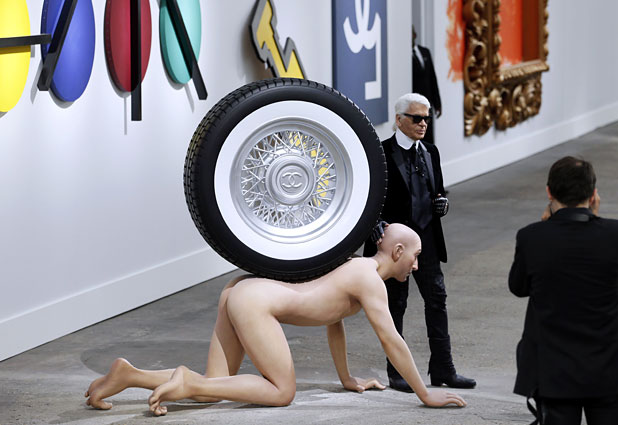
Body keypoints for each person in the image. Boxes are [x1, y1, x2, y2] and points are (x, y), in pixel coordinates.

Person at [85, 223, 467, 416]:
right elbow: (391, 339)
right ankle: (184, 381)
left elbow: (334, 322)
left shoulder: (357, 269)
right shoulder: (368, 279)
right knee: (281, 391)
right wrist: (425, 394)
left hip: (241, 291)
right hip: (256, 302)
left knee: (212, 389)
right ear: (397, 251)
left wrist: (347, 378)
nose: (416, 265)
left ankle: (129, 375)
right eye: (415, 256)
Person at [364, 93, 475, 392]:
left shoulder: (430, 152)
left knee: (437, 299)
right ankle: (397, 371)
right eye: (416, 118)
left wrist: (441, 204)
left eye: (426, 118)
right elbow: (367, 197)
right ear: (399, 120)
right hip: (394, 246)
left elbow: (437, 191)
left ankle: (443, 369)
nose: (423, 123)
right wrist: (375, 225)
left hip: (426, 240)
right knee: (396, 305)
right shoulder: (380, 152)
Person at [509, 156, 618, 425]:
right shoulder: (614, 235)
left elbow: (519, 287)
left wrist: (545, 227)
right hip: (608, 368)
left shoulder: (532, 236)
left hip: (553, 372)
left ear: (549, 192)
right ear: (593, 195)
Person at [412, 27, 441, 145]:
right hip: (414, 104)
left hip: (428, 102)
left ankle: (430, 155)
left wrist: (437, 103)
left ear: (415, 35)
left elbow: (432, 78)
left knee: (429, 133)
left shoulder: (425, 52)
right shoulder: (404, 56)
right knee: (417, 134)